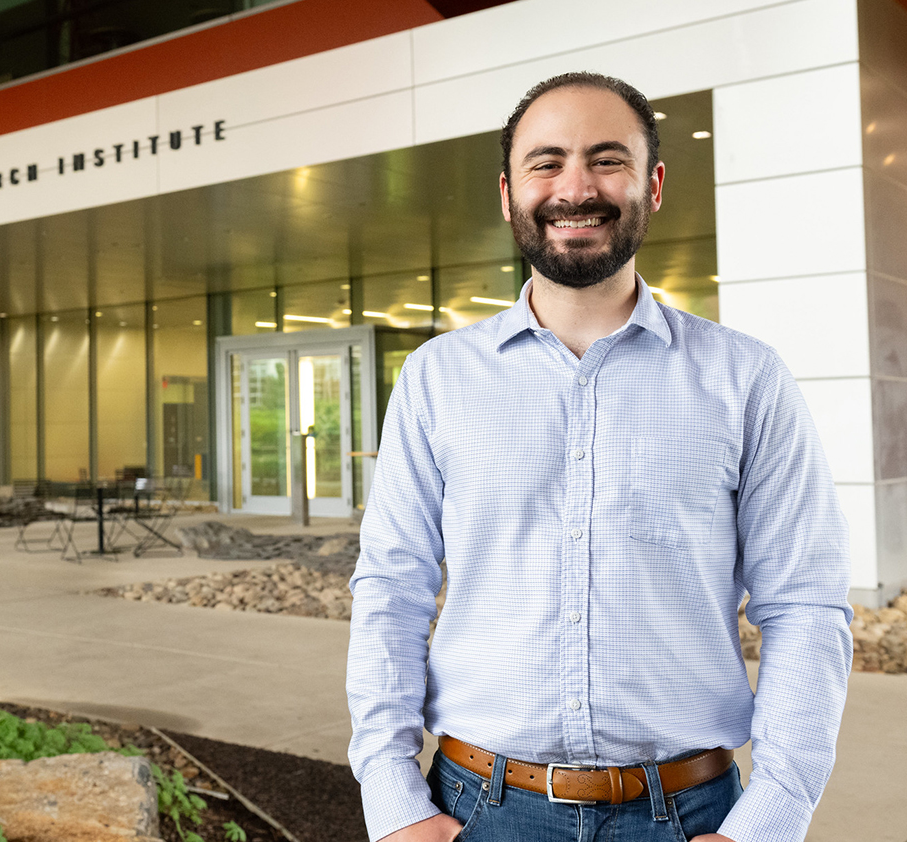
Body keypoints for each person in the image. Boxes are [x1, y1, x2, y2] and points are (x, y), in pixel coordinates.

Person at [346, 71, 853, 842]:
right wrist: (390, 798)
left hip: (689, 815)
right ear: (508, 194)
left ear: (652, 184)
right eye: (545, 162)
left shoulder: (745, 378)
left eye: (606, 159)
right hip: (473, 812)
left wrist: (773, 818)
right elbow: (392, 588)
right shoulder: (438, 378)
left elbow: (807, 606)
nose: (575, 187)